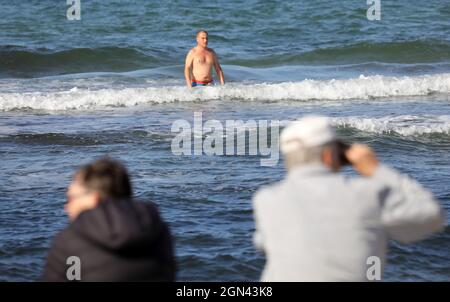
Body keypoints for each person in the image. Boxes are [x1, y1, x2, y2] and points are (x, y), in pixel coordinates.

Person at [252, 115, 444, 281]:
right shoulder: (367, 194)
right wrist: (375, 170)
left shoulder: (267, 200)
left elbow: (264, 242)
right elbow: (430, 215)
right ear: (329, 156)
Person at [42, 158, 176, 281]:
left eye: (71, 198)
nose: (67, 207)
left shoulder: (69, 240)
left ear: (93, 200)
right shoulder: (158, 231)